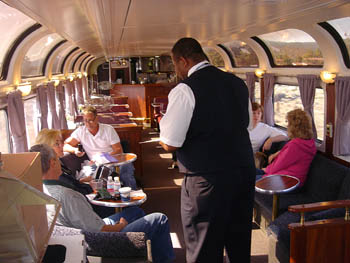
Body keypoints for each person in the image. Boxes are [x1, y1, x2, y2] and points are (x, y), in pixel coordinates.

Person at [159, 37, 255, 263]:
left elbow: (170, 142)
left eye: (175, 64)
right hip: (243, 173)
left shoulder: (185, 90)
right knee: (239, 241)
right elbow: (247, 124)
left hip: (207, 181)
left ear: (183, 61)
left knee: (203, 246)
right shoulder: (237, 83)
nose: (176, 70)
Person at [30, 143, 175, 263]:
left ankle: (142, 250)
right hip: (97, 242)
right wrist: (121, 226)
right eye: (57, 159)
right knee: (160, 219)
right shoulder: (67, 196)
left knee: (135, 211)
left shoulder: (35, 191)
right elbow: (100, 230)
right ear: (52, 162)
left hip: (77, 232)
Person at [64, 105, 136, 189]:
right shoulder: (80, 131)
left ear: (97, 118)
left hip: (112, 160)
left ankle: (133, 195)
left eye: (90, 120)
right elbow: (65, 145)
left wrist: (101, 158)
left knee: (126, 168)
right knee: (85, 176)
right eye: (85, 121)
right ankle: (95, 182)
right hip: (95, 164)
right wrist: (75, 150)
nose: (87, 124)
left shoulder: (108, 129)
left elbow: (118, 150)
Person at [256, 109, 317, 187]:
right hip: (296, 180)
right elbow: (290, 157)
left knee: (246, 179)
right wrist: (277, 153)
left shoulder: (295, 145)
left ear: (294, 127)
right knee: (248, 172)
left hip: (286, 181)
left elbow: (278, 165)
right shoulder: (309, 143)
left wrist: (265, 169)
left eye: (289, 124)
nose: (287, 126)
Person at [35, 128, 92, 195]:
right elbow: (75, 191)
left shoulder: (59, 162)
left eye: (61, 142)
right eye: (56, 144)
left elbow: (69, 184)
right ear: (47, 148)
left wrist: (80, 182)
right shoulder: (51, 168)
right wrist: (91, 187)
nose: (62, 145)